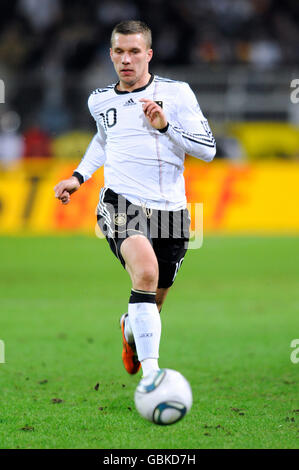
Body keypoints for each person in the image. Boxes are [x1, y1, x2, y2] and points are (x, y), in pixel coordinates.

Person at [54, 20, 216, 378]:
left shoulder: (178, 94)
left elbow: (208, 150)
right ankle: (153, 378)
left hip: (172, 212)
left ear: (149, 55)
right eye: (120, 52)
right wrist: (78, 177)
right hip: (121, 200)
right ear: (111, 54)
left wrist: (165, 127)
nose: (127, 59)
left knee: (152, 304)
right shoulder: (99, 100)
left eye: (134, 51)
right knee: (144, 272)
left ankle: (130, 327)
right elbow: (103, 140)